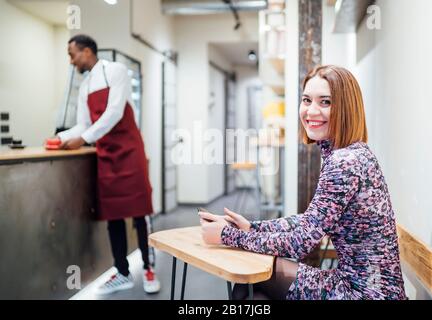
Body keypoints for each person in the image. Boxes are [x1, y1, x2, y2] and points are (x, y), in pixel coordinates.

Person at [199, 65, 407, 300]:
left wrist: (227, 235)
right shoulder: (350, 152)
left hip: (364, 294)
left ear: (346, 108)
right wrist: (253, 227)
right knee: (253, 285)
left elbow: (301, 243)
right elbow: (310, 221)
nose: (311, 111)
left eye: (325, 102)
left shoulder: (344, 162)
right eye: (307, 100)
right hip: (359, 285)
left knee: (250, 282)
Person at [55, 34, 160, 295]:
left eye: (73, 54)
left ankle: (148, 268)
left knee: (140, 212)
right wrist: (60, 138)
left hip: (129, 151)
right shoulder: (84, 87)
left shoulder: (116, 71)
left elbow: (114, 112)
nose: (71, 61)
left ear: (87, 50)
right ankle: (122, 271)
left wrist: (84, 138)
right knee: (113, 215)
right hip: (107, 155)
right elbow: (84, 124)